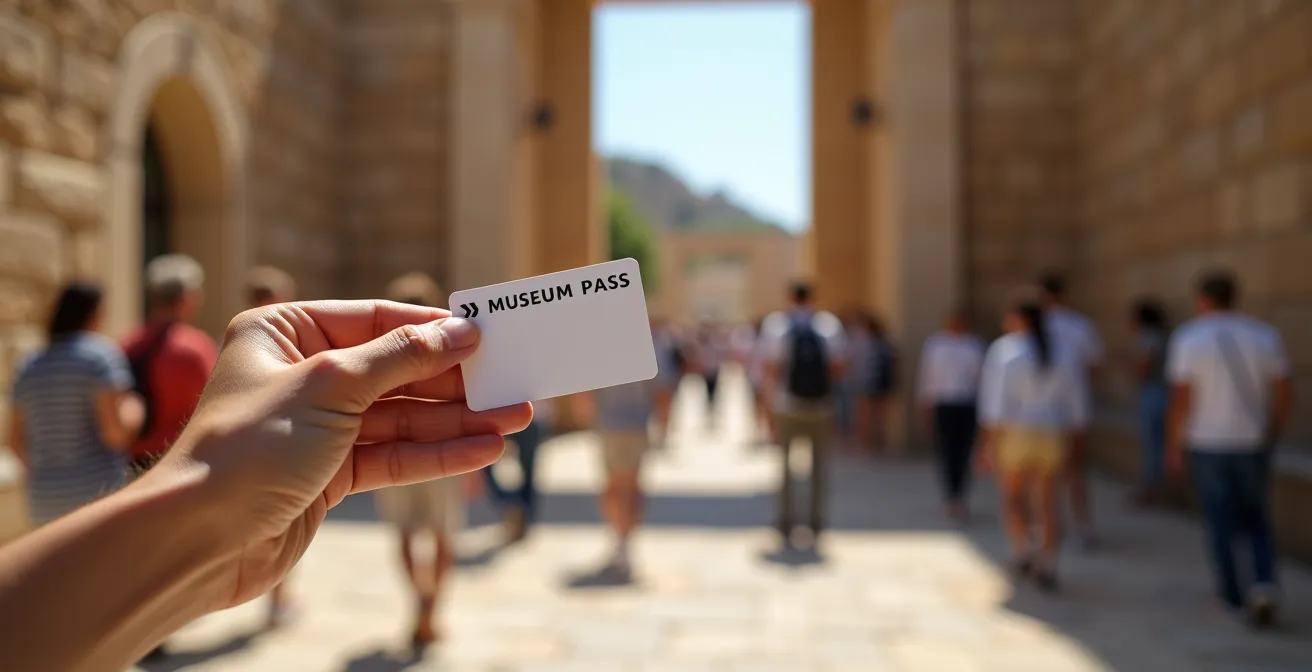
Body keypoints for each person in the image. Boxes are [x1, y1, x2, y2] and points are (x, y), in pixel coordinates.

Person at [0, 300, 531, 671]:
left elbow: (16, 441)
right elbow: (127, 426)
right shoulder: (124, 354)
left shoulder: (43, 360)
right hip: (105, 482)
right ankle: (421, 609)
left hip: (50, 492)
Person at [1166, 270, 1292, 627]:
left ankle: (1231, 594)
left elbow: (1181, 399)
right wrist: (1272, 429)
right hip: (1252, 441)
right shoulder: (1264, 335)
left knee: (1219, 519)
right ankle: (1264, 584)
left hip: (1208, 443)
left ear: (1203, 299)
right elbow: (1284, 391)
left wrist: (1173, 445)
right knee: (1256, 517)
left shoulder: (1190, 338)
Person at [373, 272, 485, 647]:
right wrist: (474, 466)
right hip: (442, 456)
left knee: (405, 535)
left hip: (395, 455)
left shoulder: (381, 351)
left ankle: (419, 601)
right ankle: (431, 610)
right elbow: (467, 405)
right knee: (442, 536)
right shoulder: (451, 351)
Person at [9, 283, 144, 527]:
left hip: (43, 499)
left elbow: (15, 442)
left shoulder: (29, 365)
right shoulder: (99, 356)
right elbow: (114, 433)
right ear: (93, 313)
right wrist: (136, 409)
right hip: (98, 494)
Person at [978, 293, 1085, 593]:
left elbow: (995, 405)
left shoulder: (1006, 351)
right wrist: (1076, 439)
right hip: (1052, 432)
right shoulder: (1062, 352)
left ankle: (1022, 551)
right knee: (1047, 502)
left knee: (1013, 497)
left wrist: (987, 443)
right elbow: (1076, 404)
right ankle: (1047, 562)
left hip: (1016, 432)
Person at [761, 281, 845, 545]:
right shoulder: (828, 325)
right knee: (819, 466)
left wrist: (768, 408)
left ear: (790, 298)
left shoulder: (777, 325)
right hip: (820, 405)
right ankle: (816, 519)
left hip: (787, 405)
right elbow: (838, 368)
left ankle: (786, 518)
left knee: (785, 467)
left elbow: (770, 369)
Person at [122, 254, 219, 472]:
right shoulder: (196, 348)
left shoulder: (128, 343)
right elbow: (214, 405)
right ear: (186, 298)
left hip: (133, 462)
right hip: (181, 460)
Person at [244, 265, 299, 629]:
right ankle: (277, 598)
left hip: (254, 448)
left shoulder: (234, 337)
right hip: (281, 447)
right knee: (283, 525)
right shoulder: (283, 338)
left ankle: (276, 597)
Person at [1038, 271, 1104, 547]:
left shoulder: (1036, 327)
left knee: (1044, 473)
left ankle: (1050, 526)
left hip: (1041, 411)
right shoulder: (1080, 326)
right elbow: (1094, 367)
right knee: (1075, 469)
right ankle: (1081, 525)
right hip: (1075, 407)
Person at [576, 378, 655, 580]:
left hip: (611, 425)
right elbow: (661, 387)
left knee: (615, 487)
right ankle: (624, 542)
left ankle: (621, 541)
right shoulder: (650, 355)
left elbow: (585, 394)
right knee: (631, 487)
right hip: (637, 424)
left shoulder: (601, 357)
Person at [916, 309, 985, 521]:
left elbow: (982, 379)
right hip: (943, 404)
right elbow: (928, 376)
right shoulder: (936, 345)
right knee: (946, 452)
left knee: (964, 453)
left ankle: (960, 496)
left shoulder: (974, 345)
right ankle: (950, 496)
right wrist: (926, 405)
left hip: (967, 404)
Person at [485, 397, 553, 544]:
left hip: (498, 411)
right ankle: (518, 510)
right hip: (530, 411)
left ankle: (512, 507)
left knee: (489, 463)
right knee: (528, 471)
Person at [1130, 298, 1170, 506]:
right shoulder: (1163, 336)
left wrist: (1134, 369)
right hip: (1163, 392)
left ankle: (1150, 490)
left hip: (1154, 392)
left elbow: (1144, 365)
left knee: (1151, 443)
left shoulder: (1149, 336)